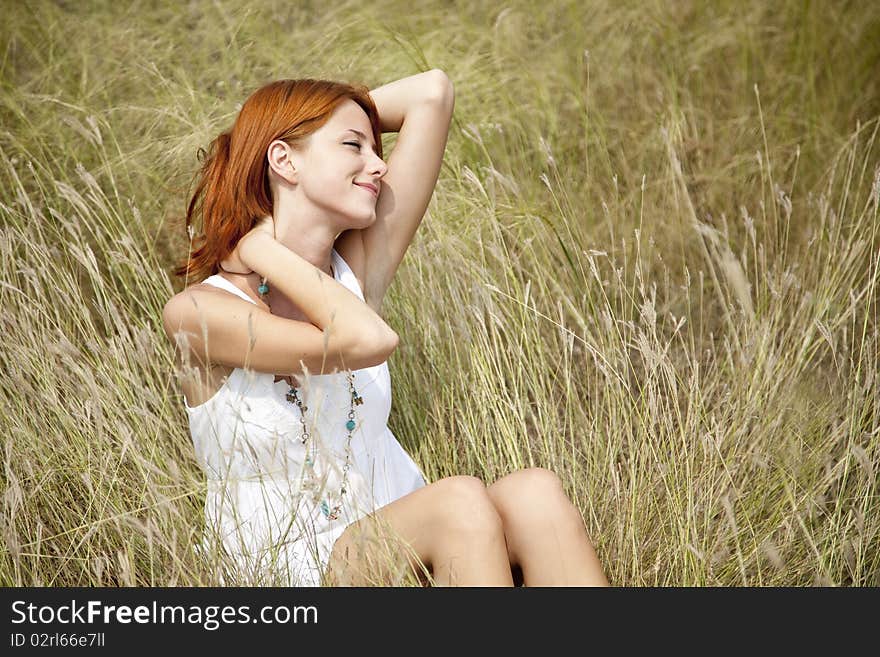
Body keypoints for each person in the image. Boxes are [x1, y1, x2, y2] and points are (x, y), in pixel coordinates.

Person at [162, 70, 609, 587]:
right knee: (460, 502)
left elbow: (433, 92)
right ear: (283, 160)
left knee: (536, 493)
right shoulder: (198, 312)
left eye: (377, 149)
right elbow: (367, 341)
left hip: (409, 540)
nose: (377, 165)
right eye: (353, 146)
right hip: (291, 569)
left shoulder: (352, 274)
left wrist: (266, 235)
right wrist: (260, 242)